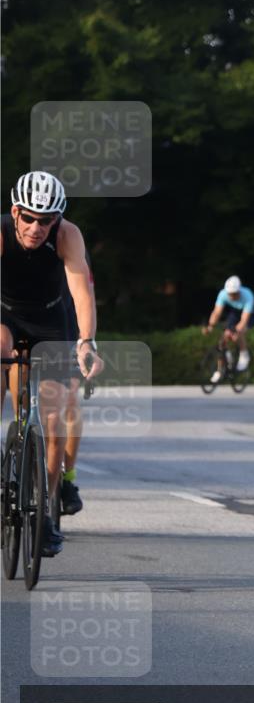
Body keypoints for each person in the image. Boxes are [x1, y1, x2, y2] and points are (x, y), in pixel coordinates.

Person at [1, 172, 104, 556]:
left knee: (55, 421)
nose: (35, 227)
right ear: (15, 212)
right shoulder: (1, 232)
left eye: (46, 220)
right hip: (5, 315)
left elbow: (81, 291)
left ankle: (44, 510)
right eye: (28, 218)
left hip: (50, 320)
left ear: (56, 219)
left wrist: (86, 343)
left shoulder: (67, 235)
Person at [60, 249, 96, 516]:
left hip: (66, 330)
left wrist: (87, 343)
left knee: (69, 402)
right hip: (19, 325)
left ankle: (67, 478)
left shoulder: (71, 247)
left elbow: (86, 299)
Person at [202, 275, 254, 378]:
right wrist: (210, 326)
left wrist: (236, 331)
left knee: (239, 333)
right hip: (234, 313)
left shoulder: (248, 295)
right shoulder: (223, 294)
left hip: (248, 314)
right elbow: (216, 313)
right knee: (223, 339)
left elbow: (244, 320)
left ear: (239, 291)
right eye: (229, 294)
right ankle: (222, 367)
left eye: (234, 294)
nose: (231, 297)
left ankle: (244, 355)